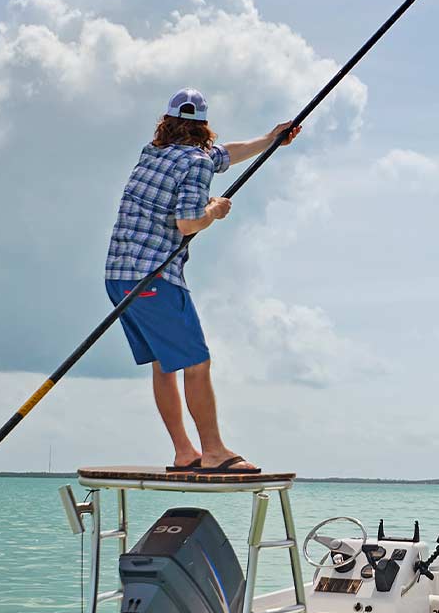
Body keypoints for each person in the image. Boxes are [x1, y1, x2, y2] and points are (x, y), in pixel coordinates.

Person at [105, 88, 296, 473]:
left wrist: (270, 139)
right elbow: (188, 222)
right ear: (204, 126)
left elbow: (226, 154)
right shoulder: (196, 163)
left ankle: (184, 452)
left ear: (167, 122)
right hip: (154, 277)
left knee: (164, 365)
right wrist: (215, 209)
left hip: (118, 279)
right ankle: (213, 452)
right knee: (196, 362)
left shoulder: (152, 153)